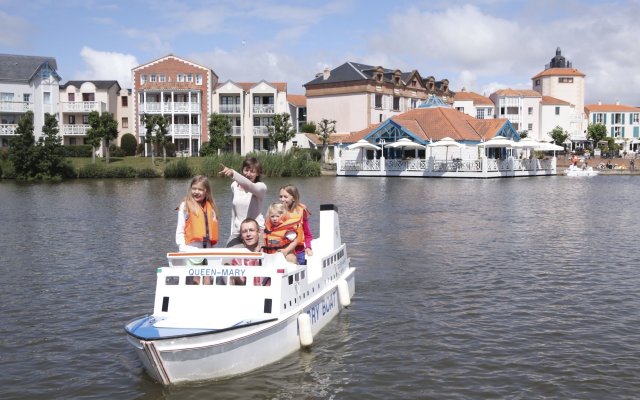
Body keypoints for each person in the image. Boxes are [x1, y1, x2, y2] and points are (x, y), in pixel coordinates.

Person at [219, 157, 267, 247]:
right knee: (227, 259)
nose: (248, 174)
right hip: (238, 232)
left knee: (255, 260)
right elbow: (234, 212)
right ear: (242, 170)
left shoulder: (261, 187)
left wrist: (233, 174)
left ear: (258, 173)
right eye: (246, 170)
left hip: (255, 232)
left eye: (252, 171)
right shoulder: (234, 185)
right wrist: (232, 232)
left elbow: (249, 186)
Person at [175, 175, 219, 252]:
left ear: (206, 191)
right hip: (190, 249)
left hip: (208, 249)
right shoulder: (185, 206)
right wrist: (183, 248)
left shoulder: (211, 208)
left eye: (200, 189)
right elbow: (180, 231)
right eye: (194, 188)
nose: (196, 192)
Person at [279, 184, 313, 265]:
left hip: (299, 251)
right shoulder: (276, 212)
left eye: (285, 197)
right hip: (282, 250)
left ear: (293, 198)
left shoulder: (301, 211)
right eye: (280, 196)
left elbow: (307, 233)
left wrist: (308, 247)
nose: (282, 199)